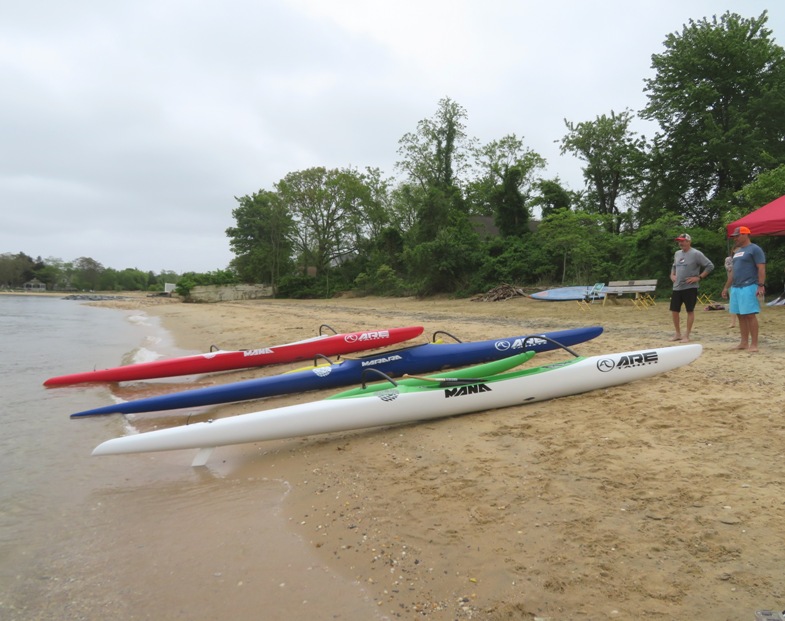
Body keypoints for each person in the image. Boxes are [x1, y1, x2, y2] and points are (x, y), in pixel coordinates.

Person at [721, 226, 766, 352]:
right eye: (734, 236)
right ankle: (744, 342)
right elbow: (733, 272)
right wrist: (726, 287)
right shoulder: (737, 252)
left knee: (750, 315)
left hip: (749, 285)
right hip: (736, 287)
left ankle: (754, 344)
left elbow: (761, 268)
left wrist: (761, 285)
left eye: (737, 236)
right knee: (740, 315)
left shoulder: (755, 249)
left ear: (745, 234)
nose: (735, 238)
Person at [669, 233, 714, 342]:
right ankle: (677, 333)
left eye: (683, 241)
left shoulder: (696, 254)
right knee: (674, 311)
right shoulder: (677, 253)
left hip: (690, 287)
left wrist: (699, 277)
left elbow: (710, 265)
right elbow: (674, 266)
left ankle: (687, 335)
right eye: (679, 241)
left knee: (690, 310)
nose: (680, 243)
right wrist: (672, 274)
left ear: (689, 242)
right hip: (677, 287)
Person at [724, 245, 739, 328]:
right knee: (733, 303)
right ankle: (733, 322)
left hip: (743, 283)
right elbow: (730, 270)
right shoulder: (729, 259)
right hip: (732, 283)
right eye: (736, 248)